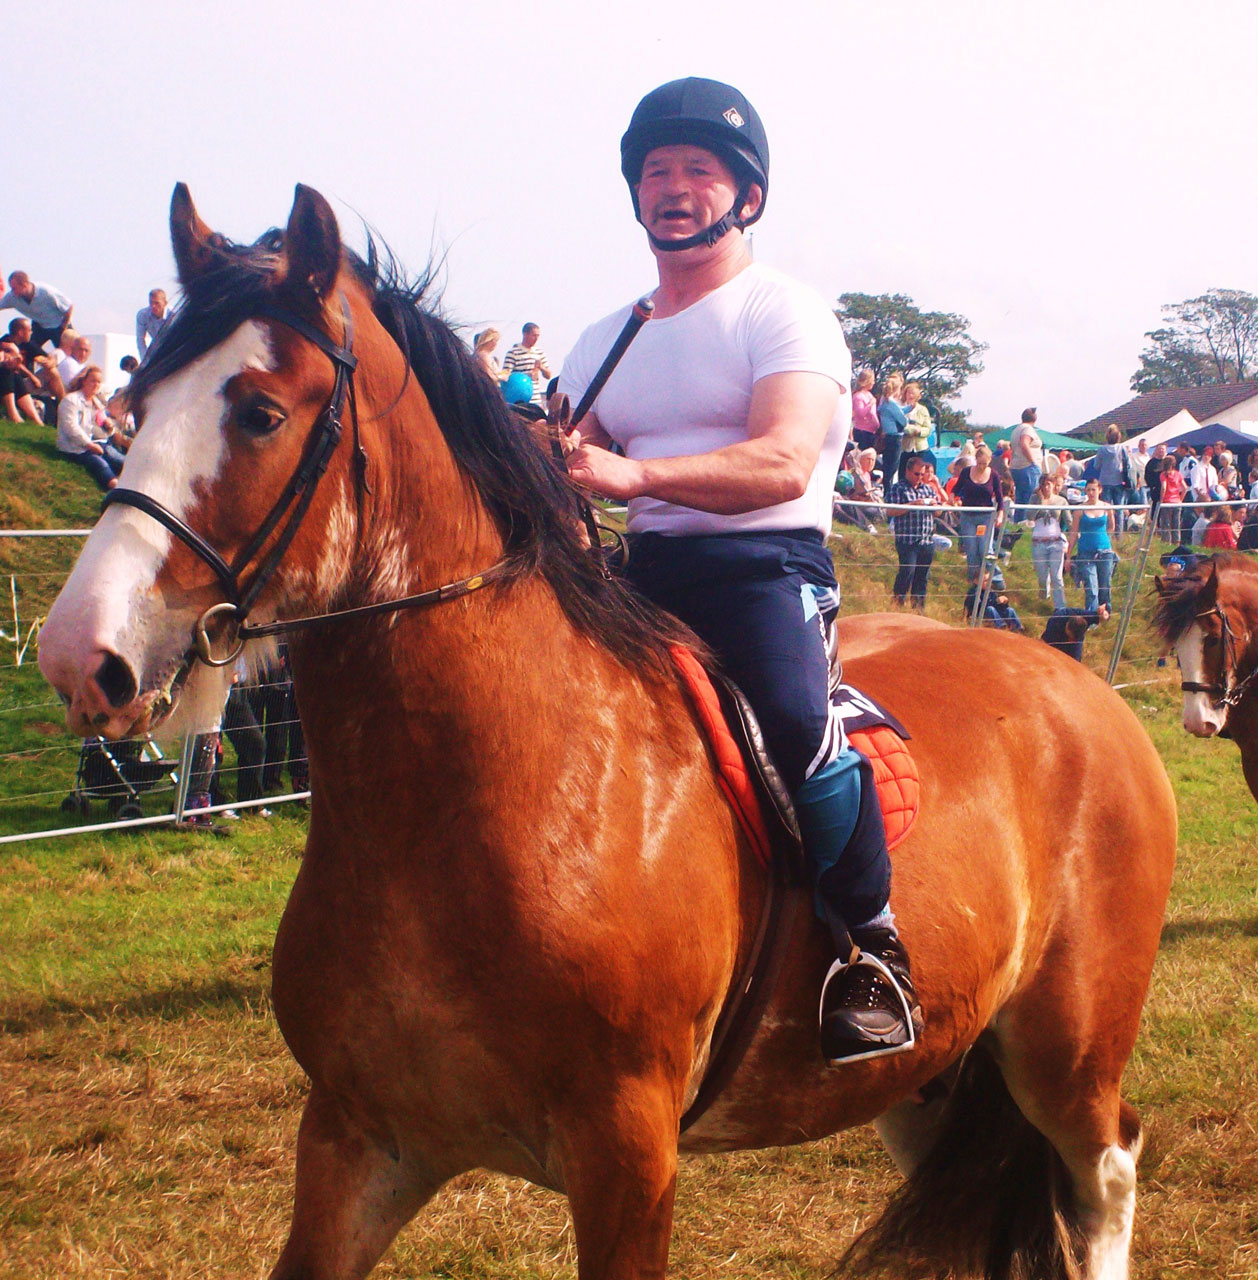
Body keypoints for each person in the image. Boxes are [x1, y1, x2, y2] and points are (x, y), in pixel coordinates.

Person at [559, 76, 919, 1064]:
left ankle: (869, 947)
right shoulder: (605, 338)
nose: (674, 188)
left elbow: (780, 460)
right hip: (638, 570)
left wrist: (629, 472)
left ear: (745, 195)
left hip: (766, 564)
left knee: (799, 721)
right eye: (657, 172)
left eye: (698, 172)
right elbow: (556, 447)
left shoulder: (785, 314)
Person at [56, 365, 126, 490]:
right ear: (84, 381)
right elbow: (71, 428)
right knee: (99, 464)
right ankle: (117, 489)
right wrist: (89, 445)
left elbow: (105, 425)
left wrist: (109, 426)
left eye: (98, 382)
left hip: (98, 443)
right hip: (75, 448)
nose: (96, 384)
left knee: (121, 460)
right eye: (92, 380)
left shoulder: (96, 403)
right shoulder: (71, 400)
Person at [887, 455, 937, 610]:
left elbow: (939, 513)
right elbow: (890, 510)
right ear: (907, 471)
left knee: (922, 577)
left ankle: (918, 610)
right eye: (917, 474)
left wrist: (935, 506)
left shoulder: (928, 489)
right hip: (907, 540)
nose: (920, 478)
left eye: (922, 475)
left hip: (926, 540)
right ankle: (897, 605)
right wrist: (912, 505)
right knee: (907, 572)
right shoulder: (898, 488)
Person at [951, 442, 1003, 582]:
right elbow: (956, 488)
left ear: (990, 461)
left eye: (985, 464)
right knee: (971, 550)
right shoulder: (967, 472)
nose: (981, 466)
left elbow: (999, 497)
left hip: (985, 517)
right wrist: (953, 499)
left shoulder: (994, 475)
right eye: (979, 463)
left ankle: (995, 578)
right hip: (968, 516)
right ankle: (974, 580)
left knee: (985, 549)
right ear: (975, 460)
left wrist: (1000, 514)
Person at [1066, 479, 1116, 612]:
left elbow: (1111, 527)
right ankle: (1091, 616)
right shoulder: (1080, 510)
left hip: (1104, 552)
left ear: (1099, 490)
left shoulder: (1107, 507)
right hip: (1086, 553)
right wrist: (1068, 556)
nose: (1091, 492)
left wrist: (1105, 540)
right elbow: (1073, 533)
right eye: (1088, 490)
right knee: (1091, 587)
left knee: (1105, 585)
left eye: (1093, 489)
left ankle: (1105, 612)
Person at [0, 271, 73, 350]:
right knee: (27, 350)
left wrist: (64, 328)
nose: (13, 292)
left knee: (69, 351)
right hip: (39, 325)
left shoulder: (46, 291)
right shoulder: (12, 297)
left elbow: (69, 307)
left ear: (24, 285)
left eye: (14, 288)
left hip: (59, 325)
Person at [1029, 471, 1070, 609]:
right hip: (1038, 543)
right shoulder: (1034, 499)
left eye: (1049, 484)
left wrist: (1072, 537)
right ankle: (1043, 595)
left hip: (1055, 542)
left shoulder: (1061, 501)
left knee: (1057, 577)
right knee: (1042, 576)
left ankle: (1060, 607)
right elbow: (1029, 516)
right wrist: (1040, 501)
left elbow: (1068, 520)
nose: (1046, 487)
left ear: (1053, 485)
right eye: (1043, 484)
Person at [501, 323, 552, 407]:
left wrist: (541, 367)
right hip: (519, 398)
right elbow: (505, 375)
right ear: (525, 334)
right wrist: (525, 376)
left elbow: (548, 375)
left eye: (538, 336)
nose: (536, 339)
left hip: (535, 398)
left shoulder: (539, 352)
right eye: (533, 336)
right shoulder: (513, 353)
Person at [1042, 604, 1110, 662]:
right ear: (1067, 625)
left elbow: (1103, 614)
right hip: (1057, 636)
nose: (1071, 640)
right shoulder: (1055, 623)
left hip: (1075, 642)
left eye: (1073, 639)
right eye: (1071, 637)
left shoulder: (1088, 617)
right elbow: (1042, 642)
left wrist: (1105, 611)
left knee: (1075, 663)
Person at [1009, 406, 1043, 517]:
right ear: (1035, 418)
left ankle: (1018, 526)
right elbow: (1024, 444)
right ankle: (1024, 527)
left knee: (1020, 500)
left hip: (1017, 466)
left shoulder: (1016, 429)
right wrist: (1033, 462)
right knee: (1029, 501)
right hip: (1027, 467)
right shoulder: (1028, 429)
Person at [1095, 425, 1129, 534]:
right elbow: (1128, 464)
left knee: (1106, 508)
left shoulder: (1102, 449)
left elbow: (1096, 466)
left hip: (1105, 481)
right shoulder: (1122, 448)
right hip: (1119, 480)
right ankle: (1119, 534)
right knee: (1119, 508)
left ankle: (1106, 532)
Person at [876, 371, 906, 491]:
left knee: (887, 465)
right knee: (892, 468)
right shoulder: (891, 403)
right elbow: (903, 421)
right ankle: (888, 493)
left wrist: (909, 407)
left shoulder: (884, 401)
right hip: (895, 437)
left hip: (888, 436)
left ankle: (887, 490)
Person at [898, 381, 933, 479]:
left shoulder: (923, 410)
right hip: (904, 447)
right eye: (908, 392)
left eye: (913, 393)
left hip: (919, 448)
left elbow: (928, 429)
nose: (910, 395)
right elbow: (900, 425)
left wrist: (919, 431)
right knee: (903, 473)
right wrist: (910, 430)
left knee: (917, 473)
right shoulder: (900, 408)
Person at [135, 288, 170, 356]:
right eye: (151, 303)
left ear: (165, 303)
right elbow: (140, 340)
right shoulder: (142, 315)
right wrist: (145, 360)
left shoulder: (174, 315)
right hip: (156, 349)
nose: (153, 306)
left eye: (157, 303)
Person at [850, 367, 879, 450]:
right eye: (872, 380)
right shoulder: (858, 396)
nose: (873, 383)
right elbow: (860, 413)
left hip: (871, 432)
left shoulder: (869, 395)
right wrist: (870, 404)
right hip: (862, 432)